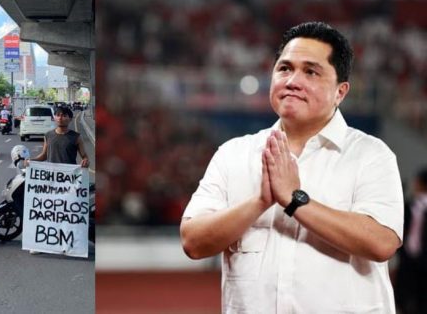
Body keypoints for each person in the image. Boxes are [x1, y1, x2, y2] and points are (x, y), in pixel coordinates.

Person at [180, 22, 403, 312]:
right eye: (284, 68)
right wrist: (261, 201)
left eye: (310, 71)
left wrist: (295, 200)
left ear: (341, 92)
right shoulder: (233, 154)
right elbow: (193, 241)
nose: (292, 81)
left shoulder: (370, 155)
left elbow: (382, 242)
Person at [395, 167, 427, 314]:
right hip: (406, 258)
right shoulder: (407, 206)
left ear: (419, 184)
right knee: (401, 298)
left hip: (424, 262)